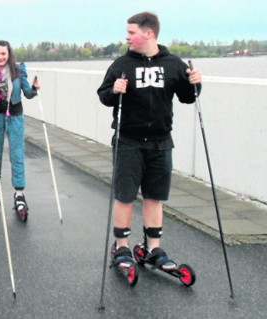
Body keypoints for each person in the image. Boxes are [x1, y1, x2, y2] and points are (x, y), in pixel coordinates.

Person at [97, 12, 202, 270]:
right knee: (125, 196)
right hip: (128, 141)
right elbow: (103, 95)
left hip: (161, 141)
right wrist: (114, 91)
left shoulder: (173, 64)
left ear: (149, 33)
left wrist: (196, 84)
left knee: (155, 197)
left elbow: (188, 97)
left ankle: (152, 248)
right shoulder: (122, 64)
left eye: (131, 32)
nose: (127, 37)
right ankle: (122, 247)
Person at [0, 40, 40, 220]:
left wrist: (35, 89)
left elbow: (27, 93)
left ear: (9, 54)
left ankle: (19, 194)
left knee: (17, 153)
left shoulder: (18, 69)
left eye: (3, 54)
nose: (0, 57)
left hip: (15, 116)